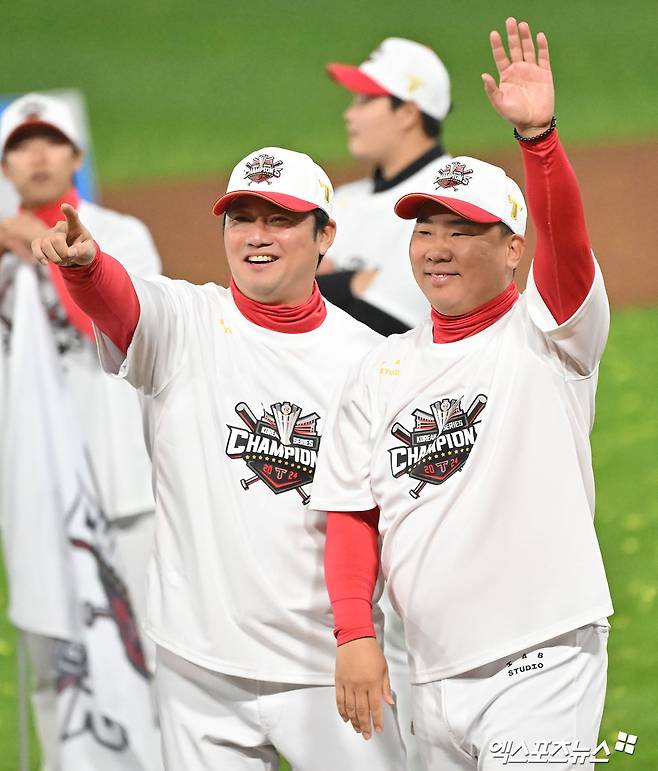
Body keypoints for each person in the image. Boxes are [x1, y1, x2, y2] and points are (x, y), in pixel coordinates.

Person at [31, 146, 407, 769]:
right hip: (197, 667)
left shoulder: (368, 360)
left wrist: (360, 637)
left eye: (280, 219)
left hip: (327, 665)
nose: (257, 237)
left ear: (325, 235)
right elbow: (123, 303)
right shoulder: (186, 320)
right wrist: (85, 269)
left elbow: (371, 516)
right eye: (241, 219)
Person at [311, 18, 613, 770]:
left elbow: (567, 243)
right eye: (425, 230)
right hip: (428, 674)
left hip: (540, 662)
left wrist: (539, 140)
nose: (437, 248)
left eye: (463, 231)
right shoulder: (379, 369)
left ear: (513, 250)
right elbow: (352, 511)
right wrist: (355, 636)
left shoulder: (551, 336)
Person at [0, 92, 161, 770]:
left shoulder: (121, 234)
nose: (36, 156)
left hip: (123, 486)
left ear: (76, 155)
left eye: (50, 141)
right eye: (20, 144)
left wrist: (37, 251)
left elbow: (121, 331)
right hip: (37, 489)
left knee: (151, 654)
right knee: (53, 661)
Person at [317, 37, 452, 335]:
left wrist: (312, 285)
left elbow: (387, 327)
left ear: (407, 113)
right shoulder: (341, 199)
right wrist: (350, 283)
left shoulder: (447, 200)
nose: (349, 114)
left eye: (365, 99)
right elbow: (267, 298)